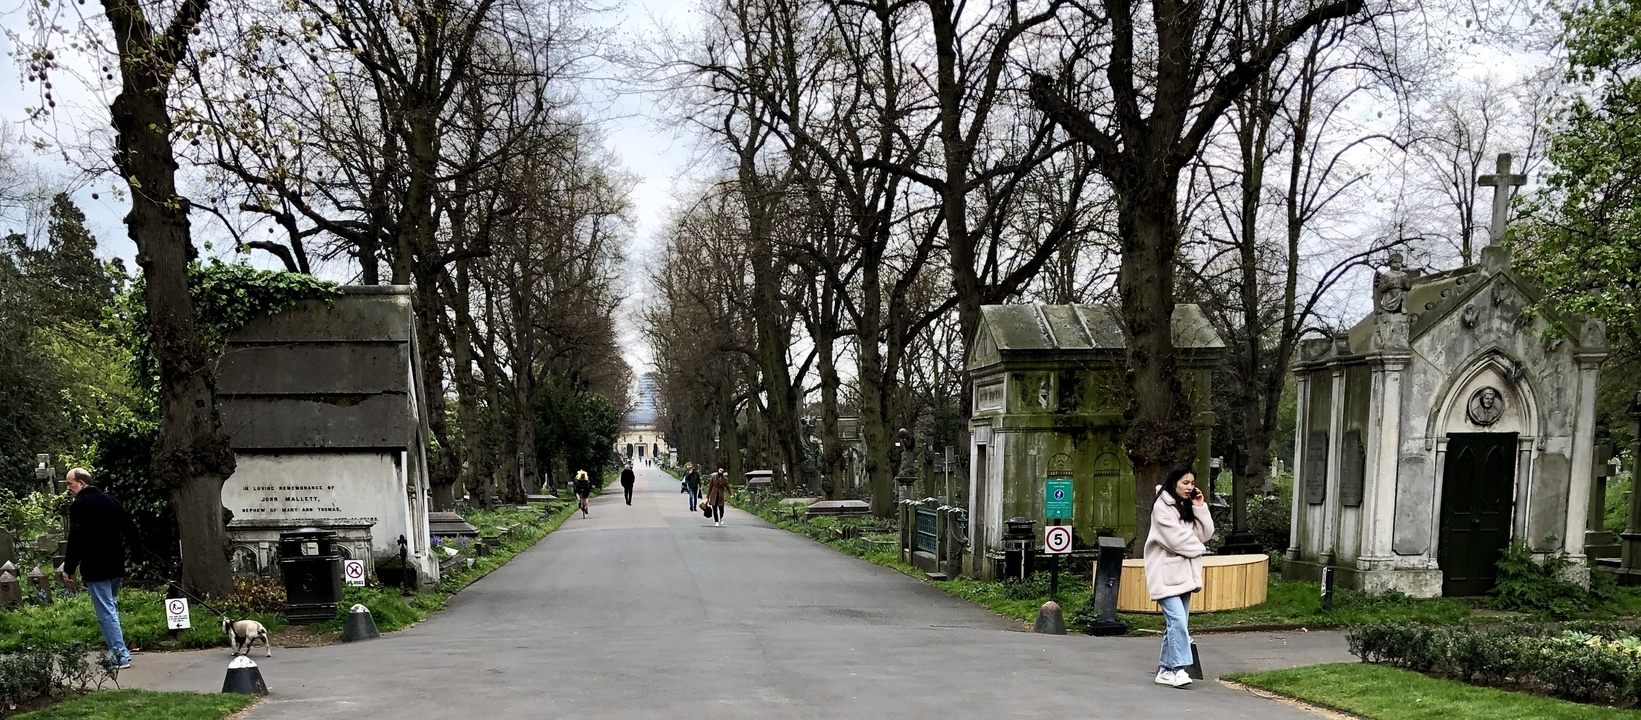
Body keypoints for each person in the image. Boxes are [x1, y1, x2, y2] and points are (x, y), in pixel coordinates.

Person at [57, 468, 142, 670]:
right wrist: (137, 557)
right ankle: (115, 653)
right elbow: (131, 529)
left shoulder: (80, 505)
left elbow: (75, 540)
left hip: (96, 566)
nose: (68, 488)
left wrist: (69, 567)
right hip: (115, 563)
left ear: (81, 483)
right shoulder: (110, 501)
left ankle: (121, 656)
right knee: (109, 607)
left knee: (106, 611)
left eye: (70, 484)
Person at [1143, 464, 1214, 688]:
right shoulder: (1161, 508)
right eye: (1185, 482)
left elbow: (1205, 534)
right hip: (1165, 574)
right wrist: (1200, 549)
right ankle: (1180, 668)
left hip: (1184, 575)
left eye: (1192, 483)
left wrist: (1200, 507)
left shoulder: (1186, 506)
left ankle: (1165, 669)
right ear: (1173, 482)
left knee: (1176, 623)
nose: (1189, 487)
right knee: (1177, 621)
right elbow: (1176, 540)